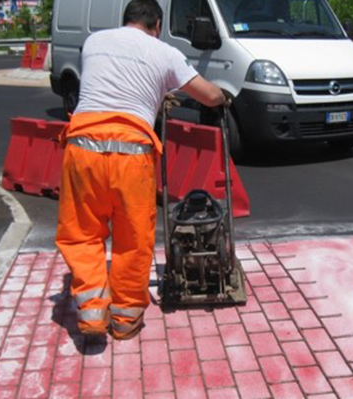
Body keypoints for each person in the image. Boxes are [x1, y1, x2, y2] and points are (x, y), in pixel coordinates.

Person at [55, 0, 226, 341]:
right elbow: (207, 95)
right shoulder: (164, 52)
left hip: (82, 147)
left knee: (83, 234)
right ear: (157, 26)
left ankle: (91, 317)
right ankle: (125, 320)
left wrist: (154, 93)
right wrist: (222, 97)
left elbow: (115, 82)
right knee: (132, 239)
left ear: (125, 21)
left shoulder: (94, 42)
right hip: (131, 154)